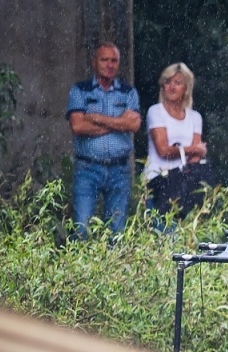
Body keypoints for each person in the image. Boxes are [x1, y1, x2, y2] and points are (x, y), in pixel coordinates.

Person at [66, 43, 141, 238]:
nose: (109, 64)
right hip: (88, 169)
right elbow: (78, 127)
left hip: (119, 170)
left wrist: (97, 118)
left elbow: (133, 125)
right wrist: (119, 123)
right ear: (94, 62)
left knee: (116, 231)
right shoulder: (79, 90)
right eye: (104, 60)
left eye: (114, 60)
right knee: (82, 227)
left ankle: (111, 268)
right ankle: (79, 267)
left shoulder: (128, 92)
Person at [144, 63, 208, 212]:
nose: (172, 87)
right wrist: (193, 149)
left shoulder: (195, 117)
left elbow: (196, 158)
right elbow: (163, 150)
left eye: (177, 83)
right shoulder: (155, 112)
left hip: (185, 185)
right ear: (162, 86)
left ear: (186, 88)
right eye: (168, 82)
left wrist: (186, 151)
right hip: (158, 181)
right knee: (161, 230)